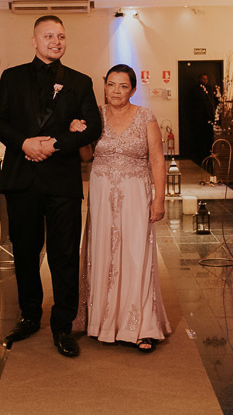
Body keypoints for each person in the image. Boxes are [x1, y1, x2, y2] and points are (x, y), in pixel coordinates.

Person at [0, 15, 102, 358]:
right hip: (21, 178)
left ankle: (63, 325)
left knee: (64, 254)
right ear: (34, 41)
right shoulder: (12, 77)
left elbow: (93, 127)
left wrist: (54, 144)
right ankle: (29, 316)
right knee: (25, 252)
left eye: (61, 36)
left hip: (62, 180)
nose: (56, 41)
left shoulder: (80, 82)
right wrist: (24, 143)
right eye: (49, 36)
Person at [71, 65, 170, 352]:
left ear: (133, 89)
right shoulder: (95, 115)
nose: (116, 91)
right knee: (102, 251)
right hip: (102, 192)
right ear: (104, 86)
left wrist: (159, 199)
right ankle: (101, 322)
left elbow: (157, 160)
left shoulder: (145, 117)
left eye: (123, 86)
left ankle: (141, 326)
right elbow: (87, 156)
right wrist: (76, 133)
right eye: (111, 85)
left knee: (135, 253)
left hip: (136, 193)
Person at [191, 73, 217, 164]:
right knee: (199, 136)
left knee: (209, 136)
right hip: (199, 117)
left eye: (206, 79)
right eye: (203, 79)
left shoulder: (210, 89)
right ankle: (199, 153)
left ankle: (209, 152)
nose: (205, 81)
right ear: (200, 79)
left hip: (209, 117)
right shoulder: (195, 89)